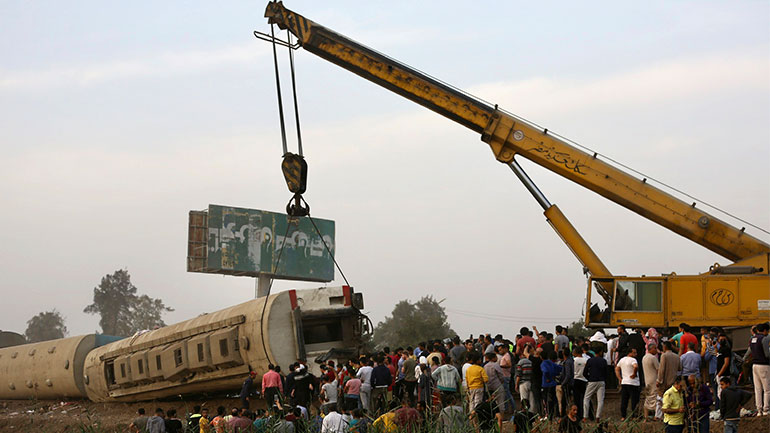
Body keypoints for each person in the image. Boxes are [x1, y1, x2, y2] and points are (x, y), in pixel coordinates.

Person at [749, 322, 770, 416]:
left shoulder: (752, 339)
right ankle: (766, 409)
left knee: (757, 388)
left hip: (754, 365)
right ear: (765, 331)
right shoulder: (764, 339)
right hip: (763, 365)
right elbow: (767, 354)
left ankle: (759, 410)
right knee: (767, 389)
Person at [582, 346, 607, 422]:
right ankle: (598, 417)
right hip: (601, 381)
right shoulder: (603, 361)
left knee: (586, 398)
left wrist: (589, 378)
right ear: (600, 352)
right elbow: (606, 372)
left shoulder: (590, 360)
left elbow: (585, 372)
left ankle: (585, 416)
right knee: (600, 400)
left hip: (592, 381)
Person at [616, 347, 640, 420]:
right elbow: (635, 366)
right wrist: (634, 374)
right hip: (633, 383)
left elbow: (616, 369)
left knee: (624, 400)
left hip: (624, 382)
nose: (636, 354)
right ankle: (634, 416)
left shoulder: (622, 360)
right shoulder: (633, 360)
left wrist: (620, 378)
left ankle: (623, 416)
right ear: (630, 353)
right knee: (634, 400)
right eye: (634, 352)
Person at [642, 343, 662, 420]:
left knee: (648, 398)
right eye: (655, 348)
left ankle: (646, 416)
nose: (656, 350)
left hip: (647, 380)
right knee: (655, 398)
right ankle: (656, 416)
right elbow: (658, 370)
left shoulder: (644, 357)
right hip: (654, 380)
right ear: (650, 349)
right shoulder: (653, 358)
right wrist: (659, 380)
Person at [541, 350, 562, 420]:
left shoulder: (543, 364)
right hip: (553, 383)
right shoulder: (551, 363)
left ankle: (548, 415)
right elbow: (560, 368)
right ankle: (556, 414)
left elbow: (545, 371)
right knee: (554, 399)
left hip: (546, 384)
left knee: (546, 400)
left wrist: (547, 378)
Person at [516, 345, 536, 416]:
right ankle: (532, 414)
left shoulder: (521, 362)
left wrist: (516, 385)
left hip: (523, 383)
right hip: (532, 382)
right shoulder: (532, 360)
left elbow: (519, 375)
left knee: (524, 399)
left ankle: (524, 414)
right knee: (532, 400)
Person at [572, 346, 588, 420]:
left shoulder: (574, 360)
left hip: (576, 379)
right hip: (584, 380)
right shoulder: (586, 360)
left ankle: (577, 414)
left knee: (576, 398)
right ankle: (585, 413)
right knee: (584, 398)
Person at [716, 334, 732, 400]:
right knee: (719, 393)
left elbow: (726, 363)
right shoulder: (720, 349)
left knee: (723, 394)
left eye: (723, 339)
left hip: (724, 374)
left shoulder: (726, 349)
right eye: (721, 339)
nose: (722, 341)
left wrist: (719, 374)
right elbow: (718, 356)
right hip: (719, 373)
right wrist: (715, 348)